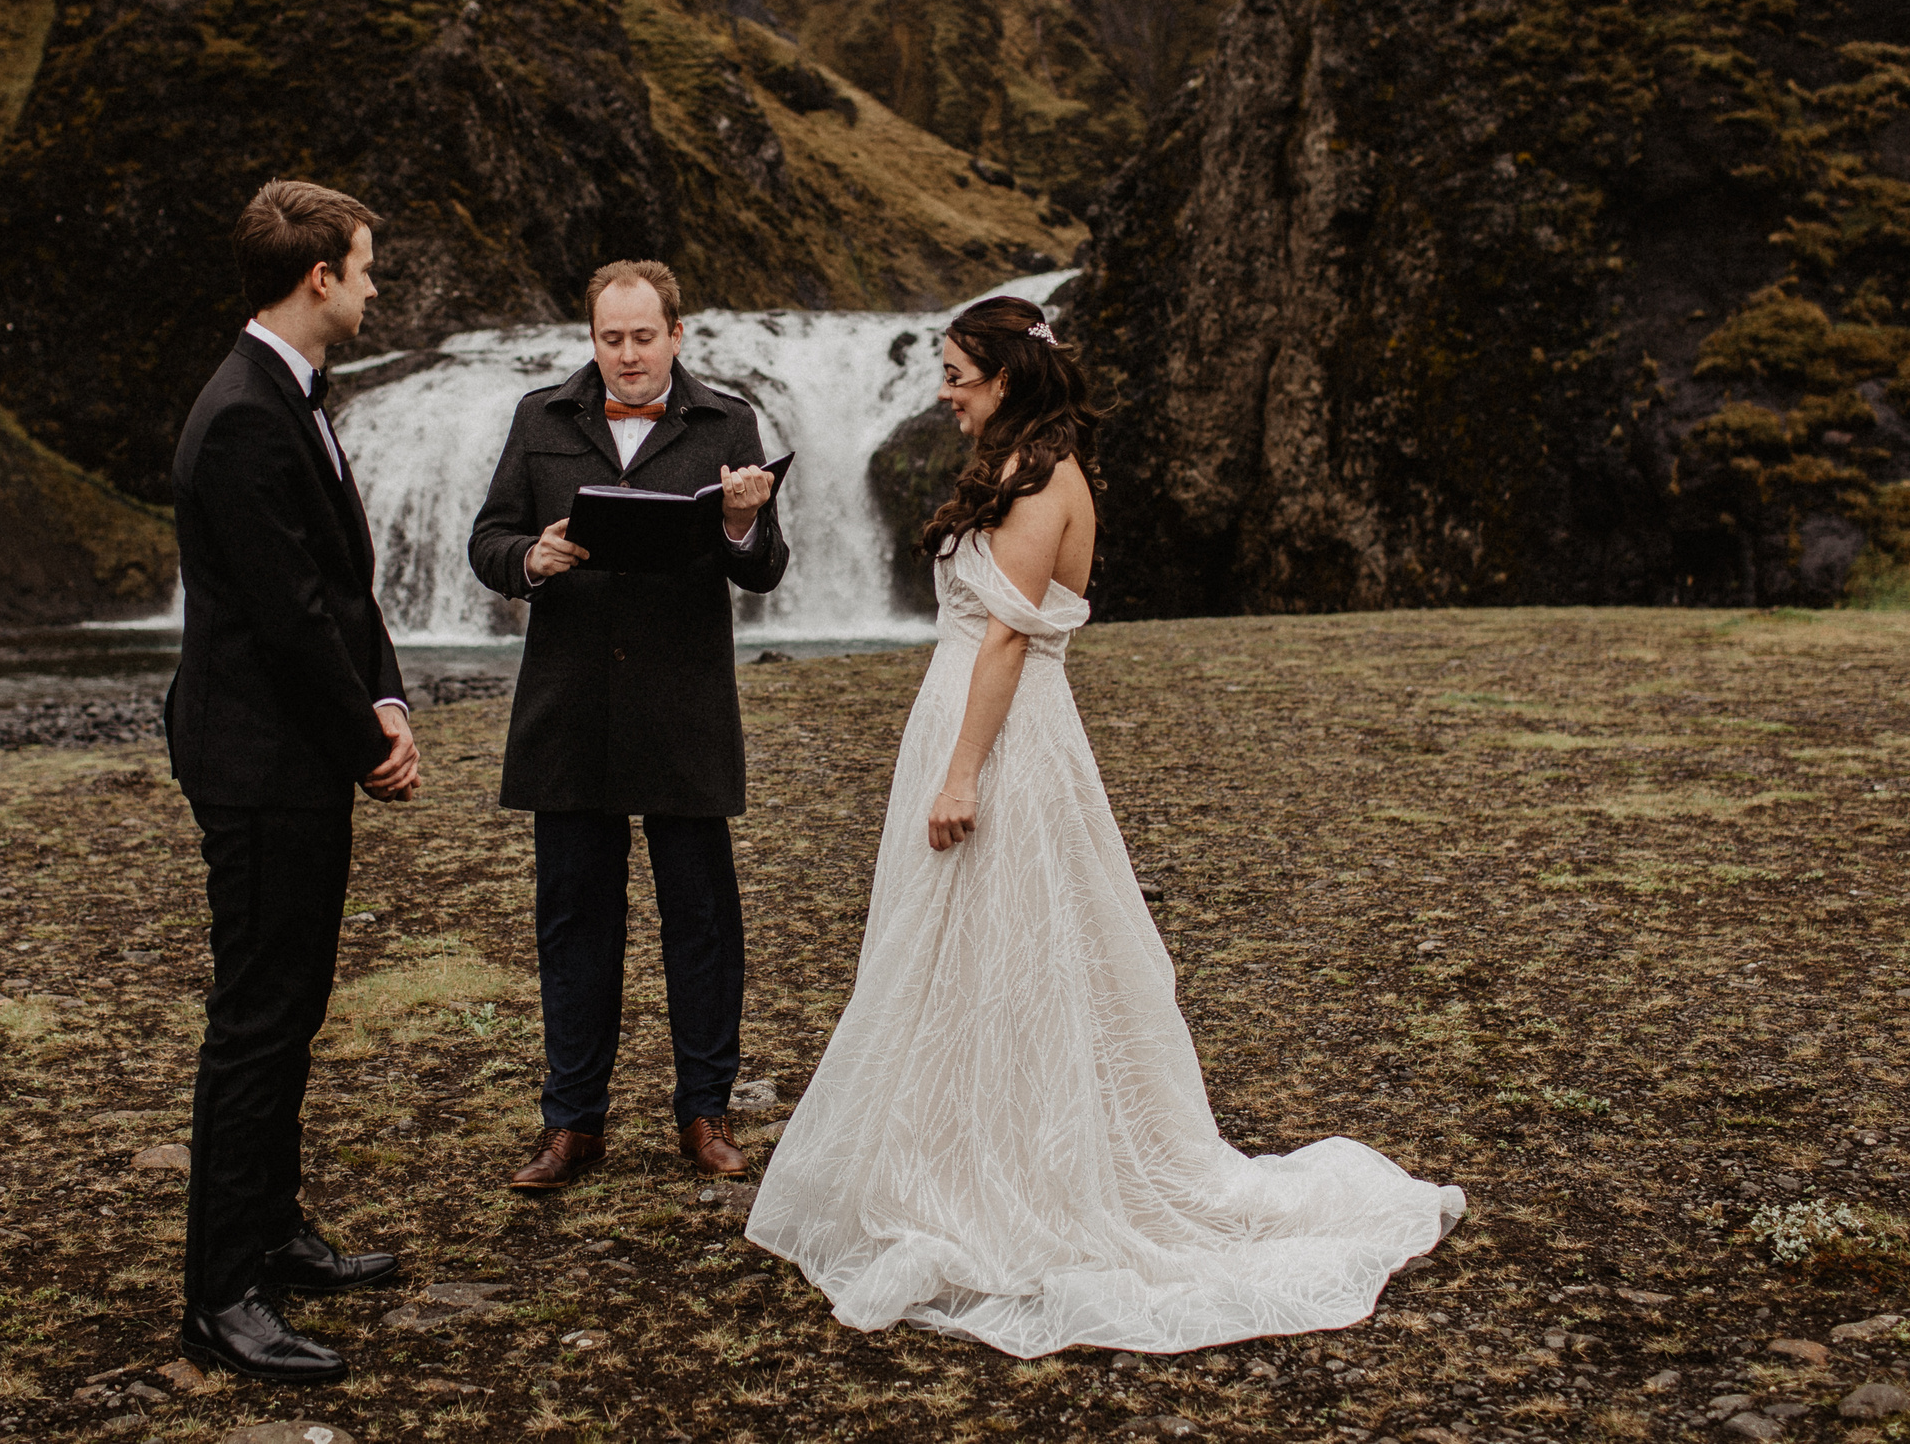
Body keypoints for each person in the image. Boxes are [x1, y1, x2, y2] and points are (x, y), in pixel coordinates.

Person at [746, 297, 1463, 1358]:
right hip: (968, 728)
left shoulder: (1045, 481)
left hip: (1001, 740)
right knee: (953, 952)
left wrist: (960, 775)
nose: (942, 390)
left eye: (956, 372)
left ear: (1007, 378)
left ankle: (1017, 1177)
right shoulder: (1012, 467)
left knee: (1013, 944)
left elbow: (1002, 644)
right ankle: (952, 1151)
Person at [164, 179, 421, 1385]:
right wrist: (370, 740)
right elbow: (283, 619)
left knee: (289, 1009)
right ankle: (221, 1295)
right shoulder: (245, 415)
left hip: (295, 750)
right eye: (366, 268)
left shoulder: (285, 395)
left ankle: (271, 1234)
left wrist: (385, 700)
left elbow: (339, 591)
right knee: (256, 1022)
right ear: (318, 277)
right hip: (261, 761)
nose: (374, 287)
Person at [468, 259, 788, 1191]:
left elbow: (764, 568)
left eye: (644, 337)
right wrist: (531, 553)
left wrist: (739, 524)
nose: (628, 355)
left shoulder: (728, 423)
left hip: (683, 709)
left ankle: (705, 1111)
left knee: (701, 919)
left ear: (676, 335)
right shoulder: (542, 417)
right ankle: (572, 1124)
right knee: (573, 921)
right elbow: (488, 540)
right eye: (611, 339)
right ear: (594, 339)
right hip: (568, 710)